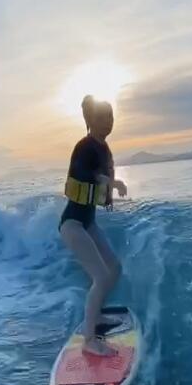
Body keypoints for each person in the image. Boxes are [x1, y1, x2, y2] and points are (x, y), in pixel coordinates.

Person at [59, 95, 127, 356]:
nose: (107, 123)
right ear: (90, 120)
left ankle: (96, 317)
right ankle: (89, 340)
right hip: (73, 224)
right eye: (101, 118)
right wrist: (114, 183)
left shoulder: (103, 148)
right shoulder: (84, 146)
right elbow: (85, 174)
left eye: (110, 118)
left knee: (114, 268)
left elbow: (101, 176)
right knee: (100, 276)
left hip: (88, 223)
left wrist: (110, 186)